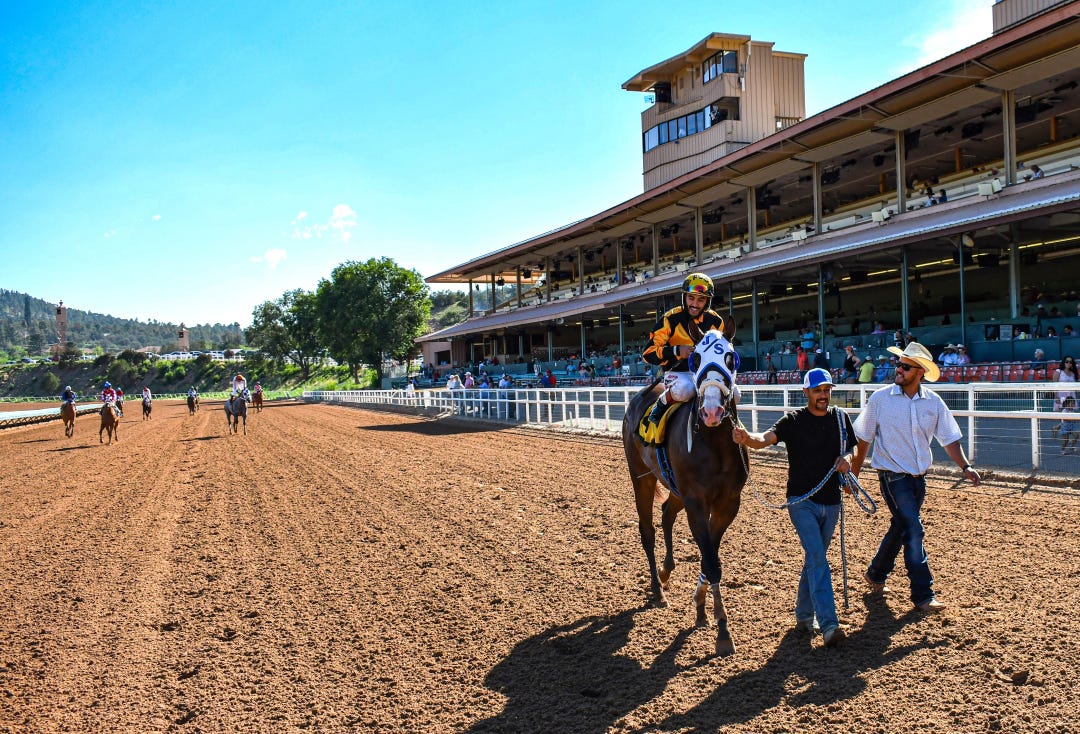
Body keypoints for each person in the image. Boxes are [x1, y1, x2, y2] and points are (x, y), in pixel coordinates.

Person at [732, 368, 858, 647]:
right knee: (817, 558)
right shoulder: (793, 421)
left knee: (815, 560)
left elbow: (853, 447)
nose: (823, 395)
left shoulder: (840, 419)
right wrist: (747, 439)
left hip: (832, 501)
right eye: (817, 390)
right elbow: (764, 440)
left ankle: (803, 616)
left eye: (826, 390)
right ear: (806, 393)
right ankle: (829, 624)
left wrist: (847, 458)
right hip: (801, 501)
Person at [851, 342, 980, 613]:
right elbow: (862, 438)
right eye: (899, 364)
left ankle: (875, 573)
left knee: (901, 528)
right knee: (914, 530)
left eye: (905, 366)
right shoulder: (880, 399)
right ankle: (923, 594)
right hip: (892, 476)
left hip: (919, 479)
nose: (898, 369)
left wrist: (965, 467)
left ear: (920, 372)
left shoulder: (934, 402)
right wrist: (854, 474)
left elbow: (949, 439)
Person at [640, 273, 726, 431]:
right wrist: (677, 350)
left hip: (705, 374)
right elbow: (647, 354)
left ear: (707, 302)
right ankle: (660, 404)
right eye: (691, 298)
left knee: (736, 392)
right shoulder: (670, 319)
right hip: (677, 374)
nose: (695, 303)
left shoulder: (716, 321)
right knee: (687, 390)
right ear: (684, 297)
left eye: (701, 299)